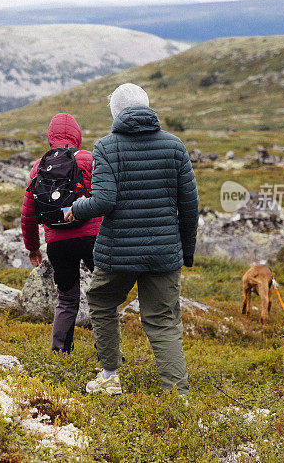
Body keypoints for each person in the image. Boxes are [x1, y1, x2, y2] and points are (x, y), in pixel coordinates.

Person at [64, 83, 199, 396]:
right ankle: (177, 395)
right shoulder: (175, 146)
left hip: (117, 252)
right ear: (147, 106)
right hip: (165, 252)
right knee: (163, 320)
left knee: (101, 300)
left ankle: (109, 376)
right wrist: (185, 252)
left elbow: (104, 201)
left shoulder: (106, 147)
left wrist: (76, 209)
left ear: (115, 112)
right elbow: (189, 206)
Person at [21, 113, 102, 353]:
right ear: (77, 134)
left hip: (58, 242)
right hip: (92, 238)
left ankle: (60, 352)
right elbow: (105, 197)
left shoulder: (39, 166)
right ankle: (107, 353)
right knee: (103, 298)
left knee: (66, 300)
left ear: (50, 136)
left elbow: (28, 212)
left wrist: (33, 247)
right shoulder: (89, 159)